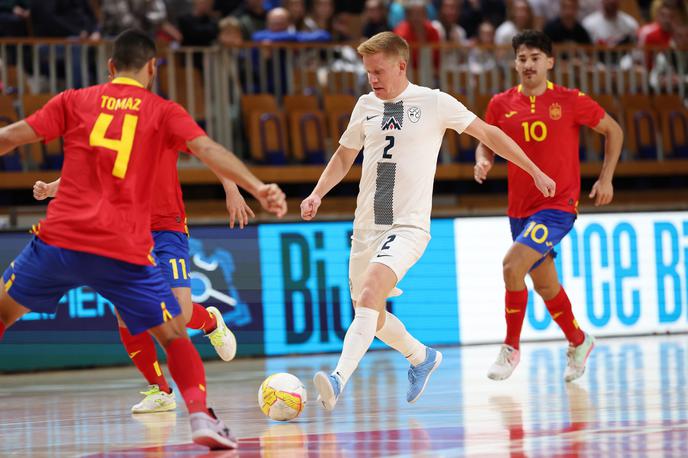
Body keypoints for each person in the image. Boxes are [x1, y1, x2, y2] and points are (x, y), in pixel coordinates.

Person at [0, 29, 286, 449]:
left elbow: (8, 138)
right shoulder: (161, 111)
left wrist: (234, 188)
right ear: (152, 68)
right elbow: (208, 149)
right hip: (122, 246)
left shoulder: (73, 100)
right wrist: (258, 187)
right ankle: (199, 416)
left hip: (63, 239)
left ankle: (200, 343)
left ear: (111, 66)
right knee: (171, 333)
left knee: (3, 313)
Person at [300, 31, 556, 411]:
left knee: (371, 293)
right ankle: (421, 357)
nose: (373, 79)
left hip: (407, 227)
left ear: (401, 66)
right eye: (368, 72)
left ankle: (337, 381)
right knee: (370, 313)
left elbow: (489, 134)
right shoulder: (365, 105)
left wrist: (534, 170)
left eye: (379, 71)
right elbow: (343, 156)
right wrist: (318, 192)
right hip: (367, 227)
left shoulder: (434, 102)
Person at [32, 151, 253, 414]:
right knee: (125, 312)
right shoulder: (109, 129)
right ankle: (160, 390)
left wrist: (232, 190)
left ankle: (211, 322)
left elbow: (210, 153)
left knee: (178, 314)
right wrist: (51, 190)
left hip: (168, 229)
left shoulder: (163, 122)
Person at [474, 30, 623, 383]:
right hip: (520, 209)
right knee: (545, 287)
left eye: (535, 58)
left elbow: (613, 131)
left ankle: (511, 348)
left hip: (558, 205)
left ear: (549, 62)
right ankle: (579, 340)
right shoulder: (500, 103)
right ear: (515, 63)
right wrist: (483, 159)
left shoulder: (571, 100)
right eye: (522, 59)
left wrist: (606, 178)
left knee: (512, 266)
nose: (528, 65)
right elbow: (485, 141)